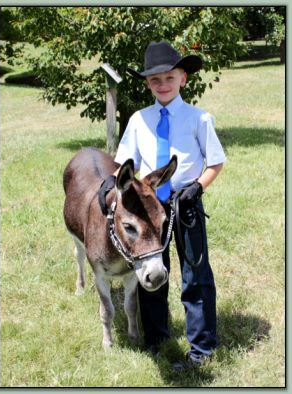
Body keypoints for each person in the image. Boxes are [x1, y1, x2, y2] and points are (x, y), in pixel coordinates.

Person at [99, 41, 226, 366]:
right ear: (147, 84)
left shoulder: (199, 119)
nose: (163, 85)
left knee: (195, 274)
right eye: (155, 80)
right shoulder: (140, 120)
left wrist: (197, 187)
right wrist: (109, 185)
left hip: (185, 205)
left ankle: (201, 347)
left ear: (183, 78)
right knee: (151, 271)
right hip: (150, 209)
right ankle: (157, 339)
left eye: (169, 77)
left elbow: (215, 163)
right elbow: (124, 162)